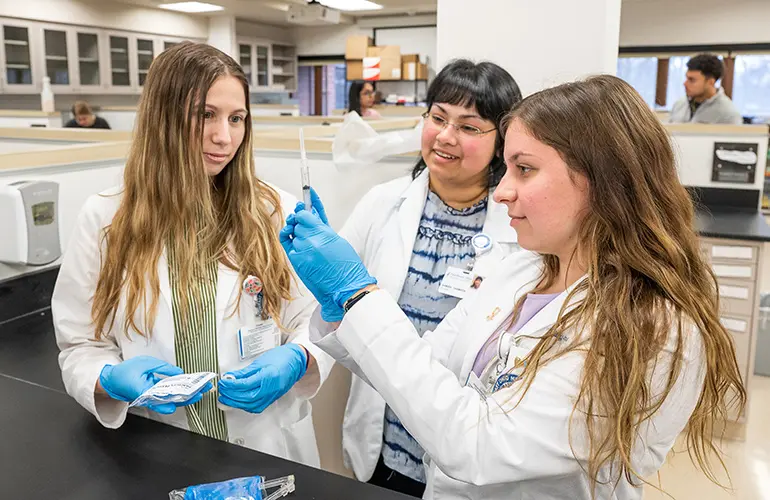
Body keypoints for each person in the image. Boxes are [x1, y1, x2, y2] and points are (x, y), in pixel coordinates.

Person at [280, 75, 746, 499]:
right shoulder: (519, 270)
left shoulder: (653, 328)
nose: (501, 191)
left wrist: (360, 293)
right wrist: (342, 307)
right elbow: (425, 365)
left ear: (605, 181)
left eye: (524, 169)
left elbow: (479, 443)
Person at [51, 42, 332, 467]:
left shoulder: (275, 210)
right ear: (162, 118)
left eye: (237, 119)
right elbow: (79, 344)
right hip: (160, 449)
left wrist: (298, 356)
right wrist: (107, 378)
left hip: (267, 447)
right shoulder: (106, 217)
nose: (224, 137)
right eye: (206, 115)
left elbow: (318, 318)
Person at [331, 59, 522, 497]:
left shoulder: (519, 228)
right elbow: (331, 305)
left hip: (468, 453)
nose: (445, 136)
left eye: (470, 127)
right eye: (437, 118)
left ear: (502, 142)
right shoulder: (383, 203)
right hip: (384, 441)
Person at [669, 53, 742, 124]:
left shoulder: (729, 114)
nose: (685, 83)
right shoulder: (679, 104)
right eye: (686, 78)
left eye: (692, 80)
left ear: (710, 82)